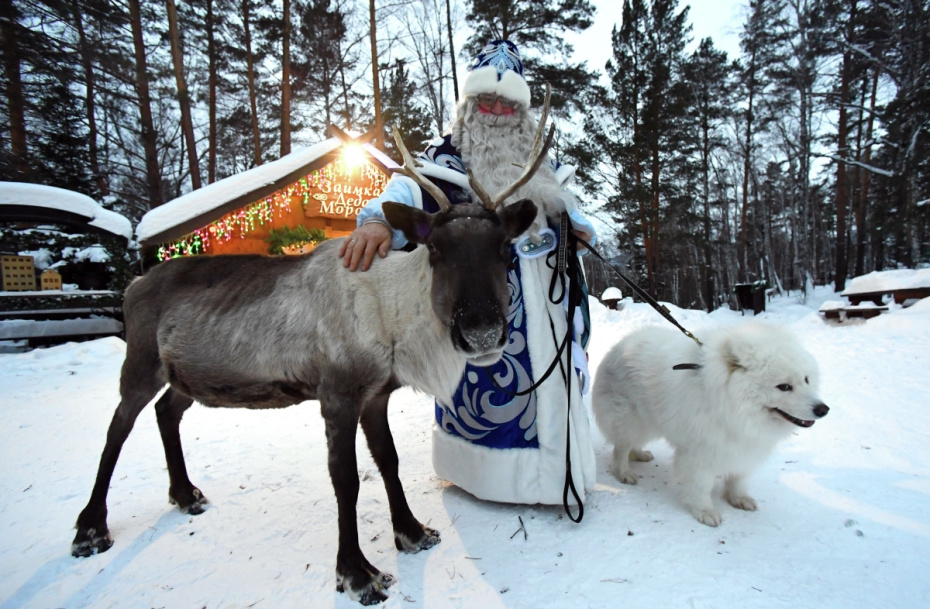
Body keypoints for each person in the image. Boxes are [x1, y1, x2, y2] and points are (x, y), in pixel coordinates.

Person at [339, 40, 597, 507]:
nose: (497, 110)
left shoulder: (539, 162)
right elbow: (405, 186)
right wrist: (376, 218)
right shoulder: (445, 161)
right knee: (483, 380)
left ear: (521, 110)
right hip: (473, 293)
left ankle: (554, 469)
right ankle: (482, 474)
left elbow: (567, 208)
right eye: (487, 100)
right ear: (469, 104)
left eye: (507, 102)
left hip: (543, 298)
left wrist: (576, 228)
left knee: (550, 379)